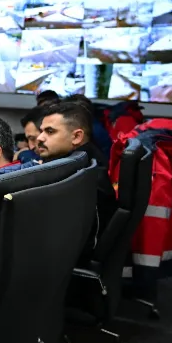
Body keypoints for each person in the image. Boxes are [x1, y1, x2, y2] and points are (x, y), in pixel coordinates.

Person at [36, 101, 117, 242]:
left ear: (76, 137)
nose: (40, 138)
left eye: (50, 131)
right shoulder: (86, 160)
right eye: (41, 131)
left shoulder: (75, 172)